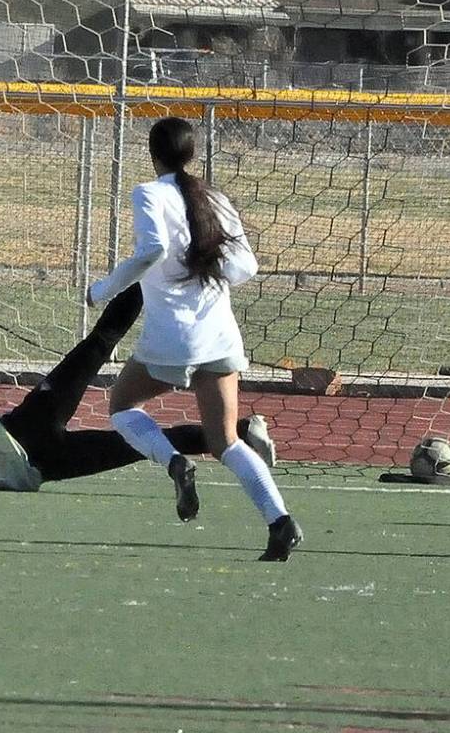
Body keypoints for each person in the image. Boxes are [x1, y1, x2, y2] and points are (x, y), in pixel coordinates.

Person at [0, 284, 279, 522]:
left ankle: (145, 283)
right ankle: (242, 433)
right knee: (136, 444)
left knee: (93, 349)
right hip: (42, 468)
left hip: (25, 426)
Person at [87, 116, 302, 562]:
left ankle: (174, 462)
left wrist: (102, 290)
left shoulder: (148, 192)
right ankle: (280, 522)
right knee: (225, 442)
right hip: (219, 336)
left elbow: (150, 251)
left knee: (122, 406)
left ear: (153, 155)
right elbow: (247, 267)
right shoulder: (216, 199)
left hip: (171, 338)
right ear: (192, 154)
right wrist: (206, 262)